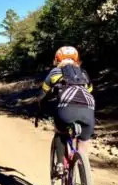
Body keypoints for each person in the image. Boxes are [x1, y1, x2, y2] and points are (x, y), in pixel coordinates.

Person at [37, 46, 95, 176]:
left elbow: (43, 93)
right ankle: (83, 173)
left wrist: (41, 106)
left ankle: (60, 165)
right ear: (76, 59)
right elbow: (89, 90)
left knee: (60, 132)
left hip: (66, 110)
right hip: (88, 109)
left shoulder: (54, 72)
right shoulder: (83, 72)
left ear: (57, 59)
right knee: (83, 144)